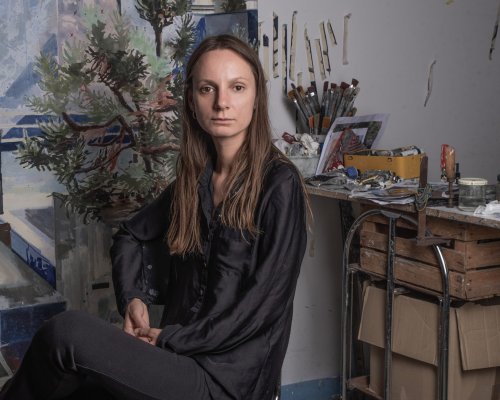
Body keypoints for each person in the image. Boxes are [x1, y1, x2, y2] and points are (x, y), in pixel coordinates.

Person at [0, 33, 307, 400]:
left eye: (237, 87)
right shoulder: (194, 181)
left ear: (256, 97)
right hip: (176, 359)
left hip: (227, 381)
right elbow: (130, 235)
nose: (222, 102)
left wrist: (171, 338)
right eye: (207, 89)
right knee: (77, 387)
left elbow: (262, 307)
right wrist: (133, 299)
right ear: (191, 101)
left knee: (66, 332)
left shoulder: (280, 183)